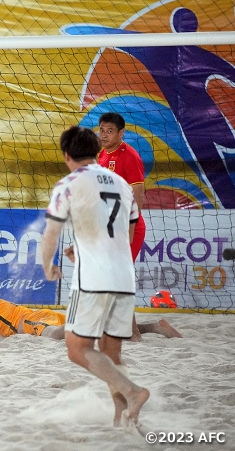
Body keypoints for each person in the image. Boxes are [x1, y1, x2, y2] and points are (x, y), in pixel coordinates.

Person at [41, 125, 150, 428]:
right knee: (111, 353)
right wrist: (85, 244)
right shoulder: (121, 183)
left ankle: (133, 391)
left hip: (93, 279)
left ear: (67, 155)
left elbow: (51, 233)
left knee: (77, 349)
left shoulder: (69, 183)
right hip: (124, 277)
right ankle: (121, 417)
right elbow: (127, 235)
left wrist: (47, 265)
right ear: (95, 150)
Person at [97, 112, 146, 341]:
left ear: (121, 133)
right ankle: (128, 330)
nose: (104, 134)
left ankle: (133, 333)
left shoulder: (130, 156)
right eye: (102, 130)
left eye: (109, 131)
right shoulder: (103, 155)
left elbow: (139, 196)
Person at [0, 297, 180, 340]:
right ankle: (154, 327)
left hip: (30, 322)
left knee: (58, 336)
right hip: (33, 319)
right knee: (65, 335)